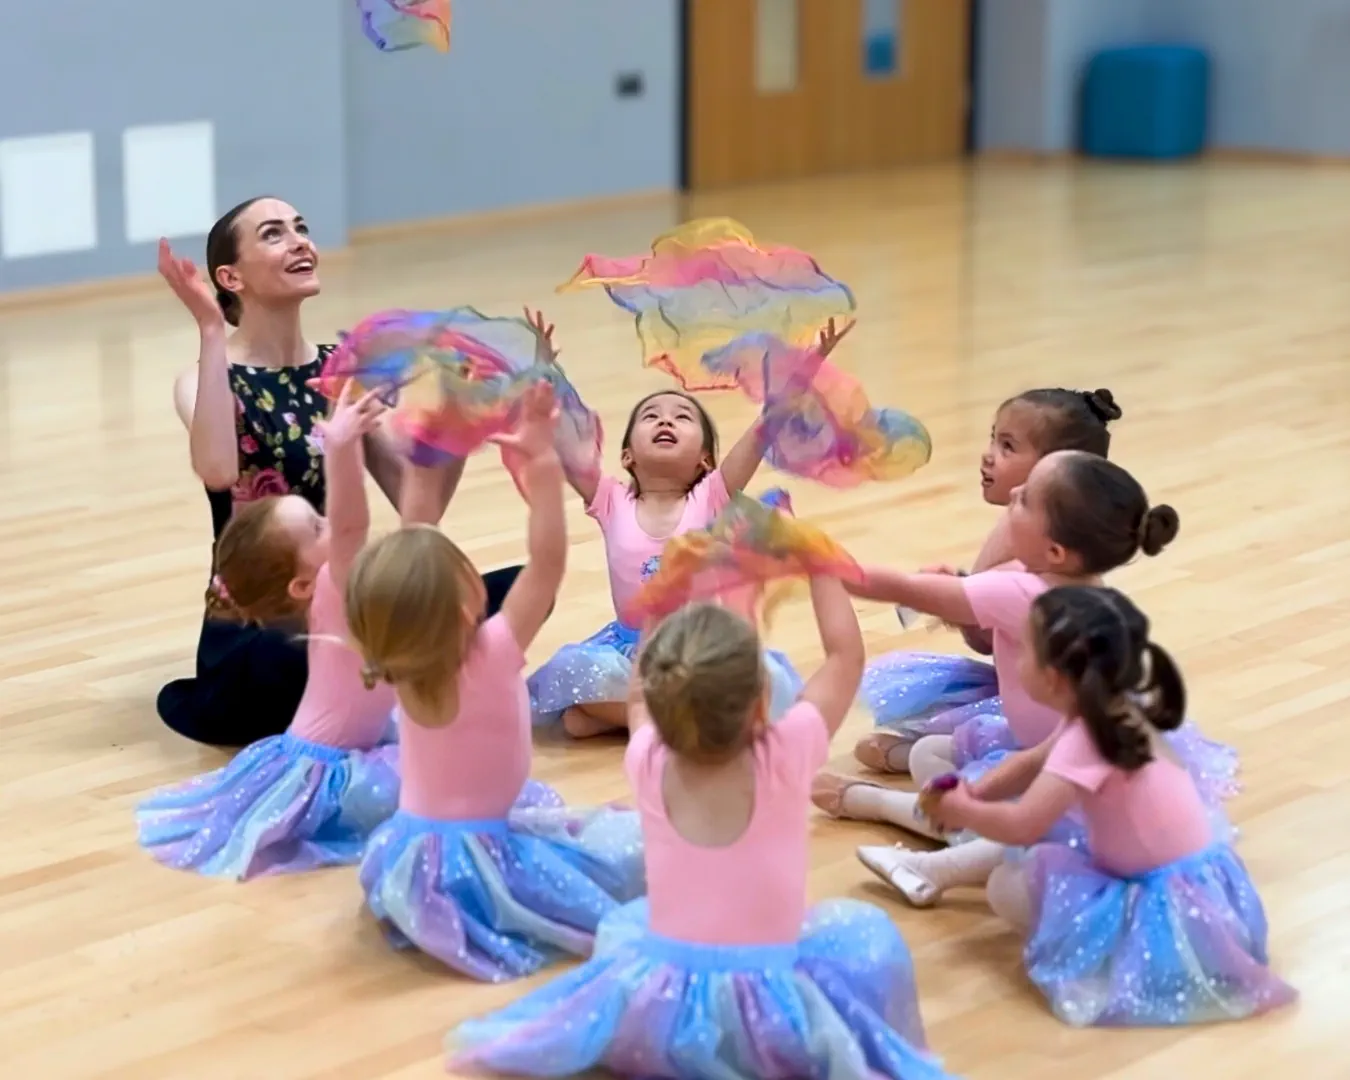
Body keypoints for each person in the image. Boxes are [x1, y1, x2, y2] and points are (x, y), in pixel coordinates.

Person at [446, 582, 954, 1079]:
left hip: (664, 1001)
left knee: (628, 929)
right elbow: (845, 658)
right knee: (869, 945)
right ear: (763, 702)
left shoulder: (647, 759)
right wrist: (822, 569)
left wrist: (657, 603)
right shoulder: (783, 758)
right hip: (769, 1010)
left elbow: (638, 693)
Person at [154, 197, 521, 747]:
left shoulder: (340, 371)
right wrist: (209, 327)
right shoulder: (203, 377)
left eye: (301, 228)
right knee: (297, 653)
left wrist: (457, 423)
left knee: (509, 589)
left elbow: (419, 506)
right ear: (230, 277)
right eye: (274, 234)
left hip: (345, 609)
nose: (300, 241)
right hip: (259, 633)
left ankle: (387, 675)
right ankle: (401, 678)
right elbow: (218, 469)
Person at [816, 451, 1234, 906]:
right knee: (936, 758)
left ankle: (906, 827)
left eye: (1026, 499)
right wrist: (976, 793)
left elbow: (905, 589)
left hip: (1092, 823)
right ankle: (916, 818)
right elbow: (1039, 756)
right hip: (1049, 753)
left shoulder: (1026, 594)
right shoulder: (1093, 603)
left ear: (1055, 551)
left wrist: (822, 561)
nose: (1014, 493)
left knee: (1017, 867)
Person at [348, 383, 645, 982]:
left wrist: (424, 458)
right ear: (467, 606)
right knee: (633, 852)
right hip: (482, 856)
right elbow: (547, 564)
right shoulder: (492, 651)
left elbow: (411, 544)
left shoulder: (397, 654)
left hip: (414, 854)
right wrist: (541, 464)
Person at [926, 585, 1296, 1027]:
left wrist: (963, 811)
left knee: (1007, 885)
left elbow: (1024, 824)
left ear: (1054, 677)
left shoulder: (1085, 739)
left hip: (1169, 914)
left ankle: (1114, 956)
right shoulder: (1108, 709)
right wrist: (977, 792)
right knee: (1048, 849)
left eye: (1024, 649)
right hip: (1211, 892)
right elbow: (1032, 765)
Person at [525, 322, 850, 741]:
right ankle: (677, 716)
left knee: (758, 684)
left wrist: (807, 367)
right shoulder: (609, 500)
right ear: (627, 455)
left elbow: (765, 428)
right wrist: (545, 371)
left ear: (705, 460)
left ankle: (632, 716)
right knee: (578, 672)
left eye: (682, 417)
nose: (666, 420)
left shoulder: (712, 496)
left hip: (700, 649)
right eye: (651, 417)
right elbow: (568, 445)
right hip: (631, 652)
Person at [137, 385, 398, 879]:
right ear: (301, 584)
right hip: (329, 766)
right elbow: (351, 526)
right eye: (317, 528)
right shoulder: (331, 590)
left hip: (345, 752)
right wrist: (341, 449)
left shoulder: (339, 589)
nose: (330, 524)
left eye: (320, 518)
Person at [856, 387, 1124, 775]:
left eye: (1008, 446)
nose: (988, 454)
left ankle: (940, 763)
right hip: (1029, 690)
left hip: (1042, 717)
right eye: (994, 438)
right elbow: (995, 630)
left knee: (920, 746)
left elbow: (984, 635)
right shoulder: (1047, 538)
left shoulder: (1029, 558)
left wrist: (949, 599)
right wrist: (959, 593)